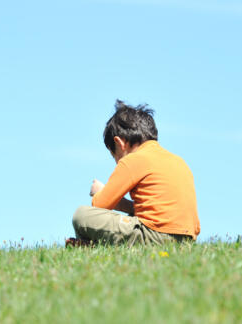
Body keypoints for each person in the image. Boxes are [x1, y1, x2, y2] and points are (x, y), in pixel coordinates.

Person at [69, 100, 200, 246]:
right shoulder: (178, 161)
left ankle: (91, 247)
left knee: (82, 215)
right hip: (186, 241)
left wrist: (100, 192)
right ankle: (93, 246)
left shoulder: (134, 159)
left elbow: (100, 205)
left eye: (115, 156)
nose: (117, 161)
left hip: (154, 235)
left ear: (119, 143)